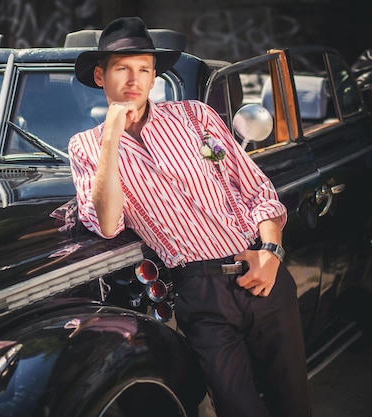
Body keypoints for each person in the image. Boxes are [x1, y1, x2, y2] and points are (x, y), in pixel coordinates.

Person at [68, 16, 312, 417]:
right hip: (198, 292)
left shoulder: (193, 115)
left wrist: (271, 251)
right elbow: (108, 223)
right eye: (122, 68)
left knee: (292, 402)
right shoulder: (85, 147)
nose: (134, 79)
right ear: (100, 75)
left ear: (153, 77)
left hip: (260, 271)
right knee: (236, 407)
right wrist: (110, 135)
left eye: (144, 69)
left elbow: (256, 190)